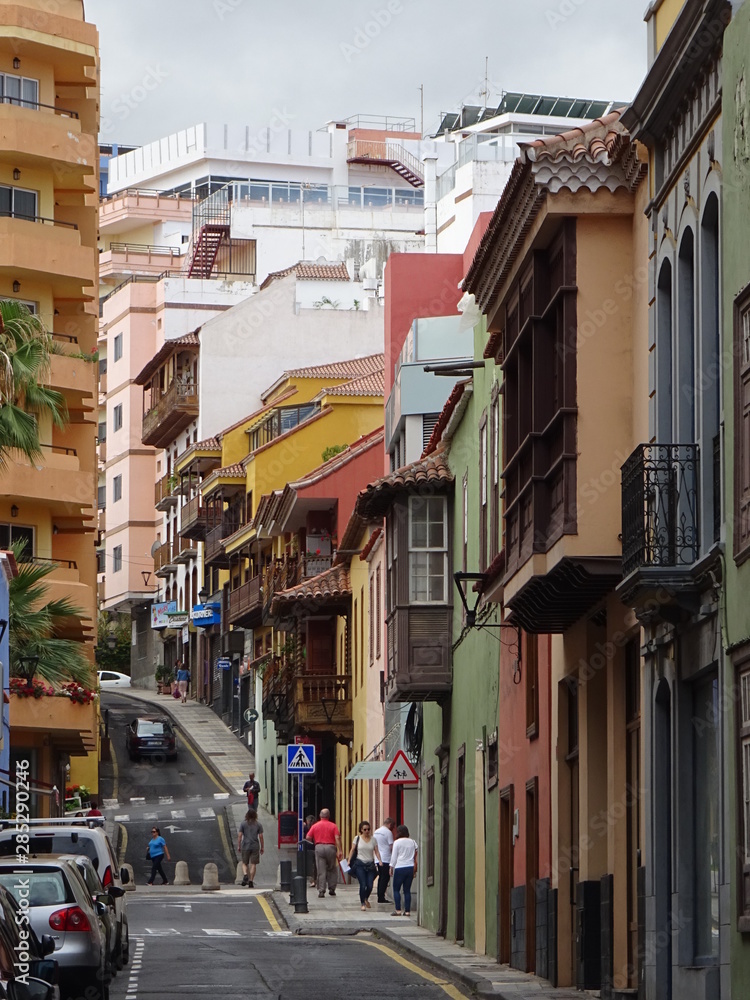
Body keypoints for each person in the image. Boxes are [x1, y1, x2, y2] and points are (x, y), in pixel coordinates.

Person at [305, 807, 342, 897]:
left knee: (321, 870)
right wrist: (340, 850)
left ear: (320, 816)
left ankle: (321, 890)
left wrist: (315, 841)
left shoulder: (315, 826)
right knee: (332, 868)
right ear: (329, 816)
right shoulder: (333, 826)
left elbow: (308, 838)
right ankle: (332, 888)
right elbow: (337, 838)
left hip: (319, 847)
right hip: (331, 847)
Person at [347, 820, 381, 911]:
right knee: (363, 884)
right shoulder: (357, 838)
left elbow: (376, 851)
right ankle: (362, 903)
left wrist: (380, 860)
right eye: (365, 829)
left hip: (370, 865)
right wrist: (349, 860)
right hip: (360, 864)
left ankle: (366, 898)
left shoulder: (373, 839)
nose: (367, 831)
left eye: (368, 829)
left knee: (370, 885)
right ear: (361, 830)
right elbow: (352, 850)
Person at [389, 824, 418, 917]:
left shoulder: (397, 842)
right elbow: (415, 854)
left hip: (400, 867)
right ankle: (407, 911)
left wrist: (391, 867)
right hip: (410, 867)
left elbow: (394, 857)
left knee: (396, 889)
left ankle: (398, 910)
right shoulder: (413, 842)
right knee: (407, 890)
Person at [237, 807, 264, 888]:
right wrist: (262, 847)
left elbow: (240, 835)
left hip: (245, 845)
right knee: (253, 864)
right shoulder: (258, 824)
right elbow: (261, 836)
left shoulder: (243, 824)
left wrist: (239, 845)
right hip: (255, 845)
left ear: (247, 815)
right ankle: (251, 880)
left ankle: (245, 875)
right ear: (255, 815)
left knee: (244, 863)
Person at [373, 817, 395, 903]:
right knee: (385, 878)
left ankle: (380, 895)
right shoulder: (388, 832)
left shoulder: (376, 831)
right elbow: (391, 846)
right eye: (392, 827)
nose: (393, 829)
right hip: (386, 858)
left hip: (378, 858)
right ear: (389, 824)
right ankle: (381, 897)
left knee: (381, 877)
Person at [302, 814, 317, 888]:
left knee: (310, 865)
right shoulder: (316, 826)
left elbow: (305, 836)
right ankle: (316, 879)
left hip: (309, 848)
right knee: (316, 865)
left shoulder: (306, 827)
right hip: (316, 847)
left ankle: (312, 880)